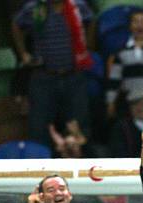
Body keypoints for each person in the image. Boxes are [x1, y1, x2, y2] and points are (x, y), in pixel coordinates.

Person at [12, 0, 94, 147]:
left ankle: (77, 165)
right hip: (44, 77)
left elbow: (91, 22)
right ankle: (40, 167)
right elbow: (17, 25)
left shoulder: (78, 7)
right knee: (38, 128)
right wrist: (23, 53)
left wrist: (86, 47)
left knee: (78, 126)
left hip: (73, 76)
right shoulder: (35, 8)